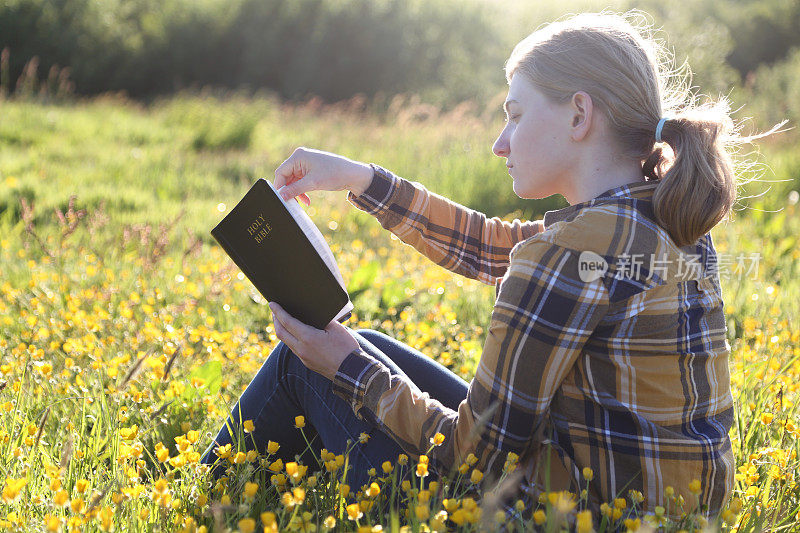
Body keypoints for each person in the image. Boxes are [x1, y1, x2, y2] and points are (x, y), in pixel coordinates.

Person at [201, 11, 782, 522]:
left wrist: (344, 366)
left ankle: (201, 500)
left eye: (516, 114)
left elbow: (474, 458)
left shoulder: (569, 253)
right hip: (657, 508)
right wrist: (360, 178)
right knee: (368, 341)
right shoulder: (664, 218)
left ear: (579, 115)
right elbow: (493, 247)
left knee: (304, 366)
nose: (500, 144)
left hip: (566, 518)